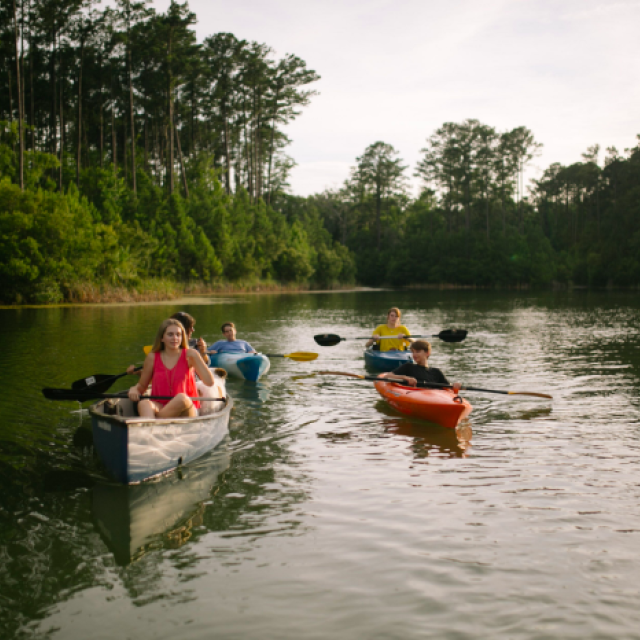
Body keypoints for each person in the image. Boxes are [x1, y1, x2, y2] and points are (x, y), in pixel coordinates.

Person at [128, 318, 214, 418]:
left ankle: (154, 423)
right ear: (161, 338)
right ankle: (152, 428)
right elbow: (142, 387)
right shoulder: (152, 358)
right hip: (161, 406)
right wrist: (134, 389)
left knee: (181, 398)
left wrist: (196, 355)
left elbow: (209, 382)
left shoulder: (190, 356)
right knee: (144, 404)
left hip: (187, 408)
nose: (175, 338)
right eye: (170, 334)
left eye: (178, 334)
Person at [127, 311, 209, 376]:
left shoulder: (195, 345)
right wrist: (138, 372)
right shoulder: (157, 353)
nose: (193, 330)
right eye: (190, 327)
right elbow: (152, 378)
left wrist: (203, 352)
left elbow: (205, 368)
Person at [379, 340, 449, 387]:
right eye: (413, 352)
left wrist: (455, 386)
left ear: (427, 353)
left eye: (417, 351)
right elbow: (387, 377)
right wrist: (405, 378)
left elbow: (449, 387)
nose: (414, 354)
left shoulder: (436, 372)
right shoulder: (408, 367)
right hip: (415, 395)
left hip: (433, 397)